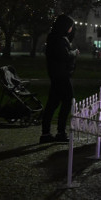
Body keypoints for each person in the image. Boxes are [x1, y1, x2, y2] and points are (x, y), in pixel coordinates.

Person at [40, 14, 79, 144]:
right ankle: (60, 132)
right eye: (70, 26)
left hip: (57, 75)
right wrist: (74, 53)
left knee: (53, 103)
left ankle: (46, 133)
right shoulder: (58, 39)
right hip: (61, 75)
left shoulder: (55, 38)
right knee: (67, 101)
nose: (71, 29)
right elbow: (64, 56)